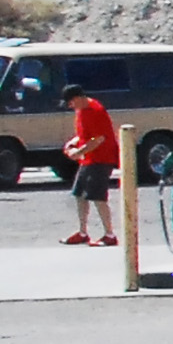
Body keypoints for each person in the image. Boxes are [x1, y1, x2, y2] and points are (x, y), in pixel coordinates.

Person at [59, 84, 120, 247]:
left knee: (98, 196)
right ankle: (82, 232)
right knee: (80, 194)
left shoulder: (95, 110)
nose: (70, 106)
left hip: (101, 159)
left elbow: (98, 139)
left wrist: (78, 152)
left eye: (71, 102)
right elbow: (83, 135)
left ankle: (110, 235)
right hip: (88, 159)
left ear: (78, 98)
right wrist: (71, 145)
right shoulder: (81, 111)